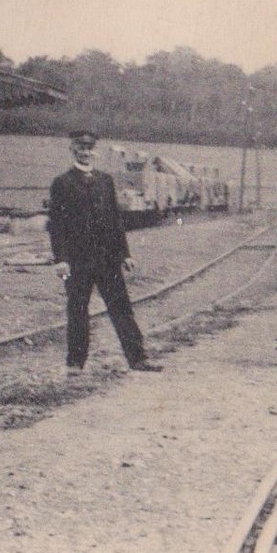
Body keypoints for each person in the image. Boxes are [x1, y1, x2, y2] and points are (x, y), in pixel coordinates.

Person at [47, 130, 161, 376]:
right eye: (80, 148)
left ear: (94, 151)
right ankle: (75, 363)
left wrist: (125, 254)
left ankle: (137, 359)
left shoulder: (105, 181)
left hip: (107, 258)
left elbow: (115, 221)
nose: (85, 153)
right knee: (77, 310)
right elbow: (56, 225)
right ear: (72, 150)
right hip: (77, 261)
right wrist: (61, 259)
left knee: (121, 308)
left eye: (89, 149)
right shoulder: (62, 183)